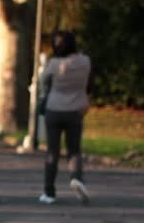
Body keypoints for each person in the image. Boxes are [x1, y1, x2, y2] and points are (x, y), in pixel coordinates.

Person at [38, 31, 91, 205]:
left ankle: (49, 192)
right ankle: (76, 178)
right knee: (74, 150)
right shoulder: (85, 61)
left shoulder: (54, 63)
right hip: (76, 109)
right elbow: (89, 82)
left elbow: (44, 81)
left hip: (54, 109)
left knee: (52, 152)